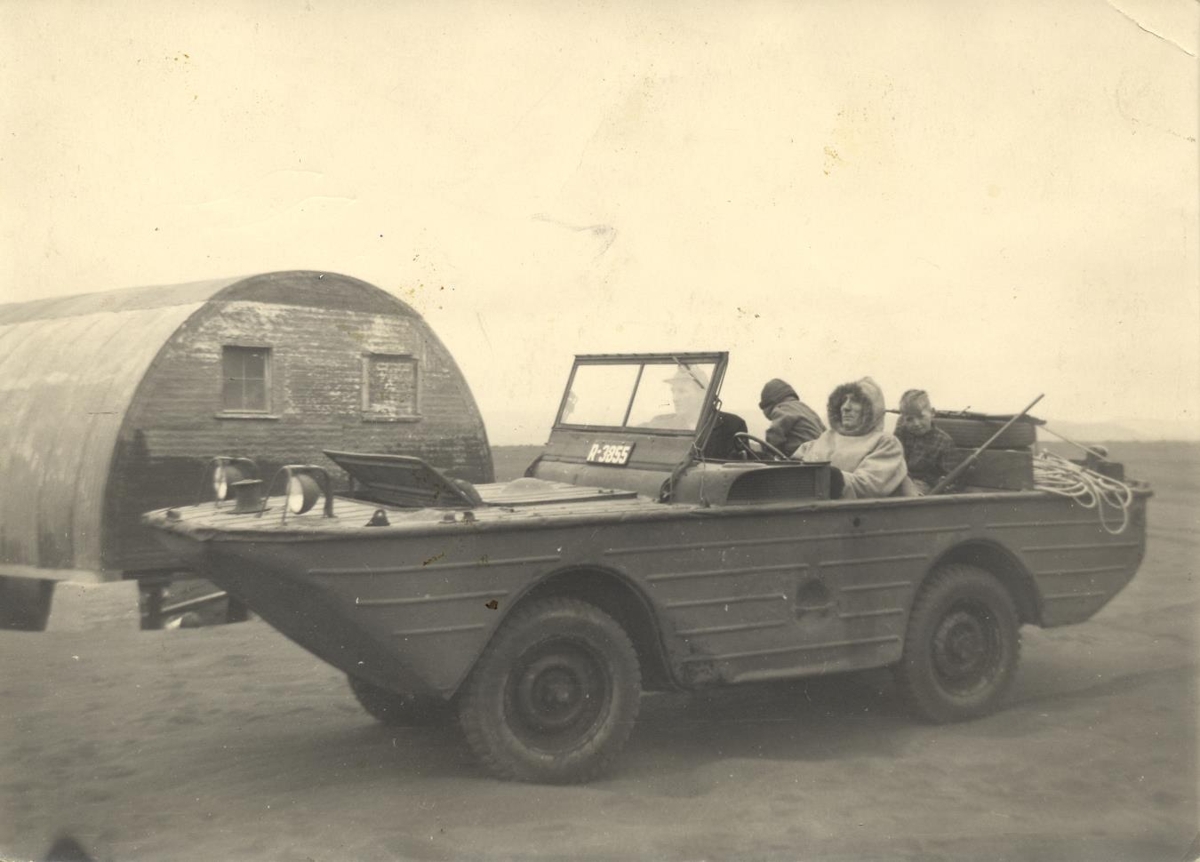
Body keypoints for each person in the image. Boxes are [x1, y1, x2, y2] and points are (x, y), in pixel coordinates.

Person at [791, 377, 912, 499]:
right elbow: (794, 463)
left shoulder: (885, 443)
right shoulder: (827, 436)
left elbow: (868, 485)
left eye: (855, 401)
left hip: (853, 510)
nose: (845, 407)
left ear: (871, 408)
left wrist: (829, 477)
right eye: (844, 400)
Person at [894, 389, 957, 494]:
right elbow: (893, 458)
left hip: (924, 484)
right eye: (909, 419)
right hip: (899, 478)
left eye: (921, 417)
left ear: (932, 413)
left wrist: (942, 481)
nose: (916, 423)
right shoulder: (901, 433)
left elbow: (949, 475)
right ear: (903, 419)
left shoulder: (943, 441)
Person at [758, 378, 825, 457]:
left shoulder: (782, 408)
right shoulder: (806, 409)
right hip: (820, 455)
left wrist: (768, 453)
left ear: (770, 403)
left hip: (800, 457)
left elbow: (775, 434)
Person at [643, 364, 709, 430]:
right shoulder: (660, 424)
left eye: (682, 391)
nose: (675, 399)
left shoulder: (713, 426)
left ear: (702, 395)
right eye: (673, 391)